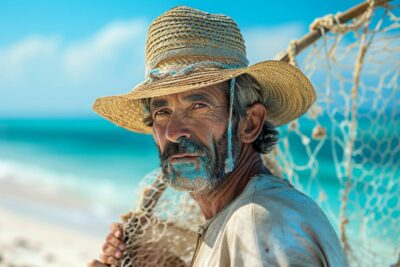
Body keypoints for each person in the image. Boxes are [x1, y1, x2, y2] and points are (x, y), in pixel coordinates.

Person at [88, 6, 349, 267]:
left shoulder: (257, 223)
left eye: (199, 106)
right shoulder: (241, 215)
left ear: (250, 123)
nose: (174, 132)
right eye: (163, 111)